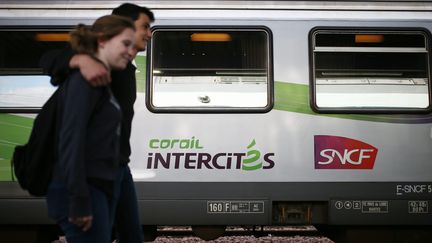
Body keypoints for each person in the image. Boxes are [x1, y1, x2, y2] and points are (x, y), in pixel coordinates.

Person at [40, 3, 155, 243]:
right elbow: (49, 59)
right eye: (144, 26)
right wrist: (80, 60)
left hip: (117, 166)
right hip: (91, 175)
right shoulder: (93, 71)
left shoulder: (122, 67)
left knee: (131, 236)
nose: (149, 33)